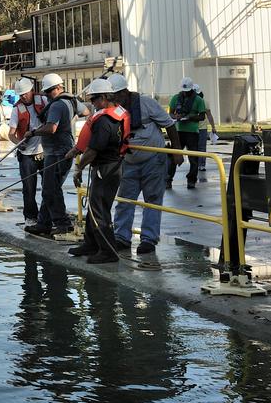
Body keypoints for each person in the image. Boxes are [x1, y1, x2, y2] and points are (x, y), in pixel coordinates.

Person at [109, 74, 179, 257]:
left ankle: (148, 239)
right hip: (129, 161)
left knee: (153, 200)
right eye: (112, 97)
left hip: (153, 160)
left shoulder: (147, 104)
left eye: (116, 96)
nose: (114, 100)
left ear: (125, 92)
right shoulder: (114, 109)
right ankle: (122, 237)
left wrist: (177, 152)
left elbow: (170, 125)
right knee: (125, 199)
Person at [67, 78, 127, 264]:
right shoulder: (116, 114)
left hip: (106, 169)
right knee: (95, 208)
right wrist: (76, 150)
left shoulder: (105, 121)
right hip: (111, 166)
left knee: (99, 210)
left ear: (103, 97)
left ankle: (108, 251)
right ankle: (92, 243)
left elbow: (93, 150)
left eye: (93, 99)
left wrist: (78, 168)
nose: (91, 103)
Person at [24, 73, 78, 239]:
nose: (47, 95)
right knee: (51, 189)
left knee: (50, 189)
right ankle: (44, 223)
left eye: (49, 92)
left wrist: (33, 132)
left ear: (58, 88)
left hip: (57, 152)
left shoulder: (56, 106)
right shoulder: (71, 101)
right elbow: (84, 112)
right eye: (46, 92)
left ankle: (63, 224)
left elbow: (51, 128)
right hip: (63, 149)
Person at [12, 77, 48, 225]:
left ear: (32, 90)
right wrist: (18, 144)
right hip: (27, 154)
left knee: (49, 187)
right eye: (20, 95)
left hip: (45, 151)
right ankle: (31, 217)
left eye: (25, 93)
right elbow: (11, 133)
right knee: (28, 188)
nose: (23, 96)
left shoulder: (44, 101)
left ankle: (48, 215)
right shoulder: (17, 109)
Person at [167, 78, 203, 188]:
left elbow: (202, 116)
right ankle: (168, 179)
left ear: (192, 89)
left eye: (187, 91)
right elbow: (170, 114)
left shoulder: (198, 100)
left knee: (193, 158)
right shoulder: (175, 98)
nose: (185, 93)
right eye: (184, 90)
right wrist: (176, 116)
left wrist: (190, 117)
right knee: (174, 156)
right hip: (178, 132)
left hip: (192, 133)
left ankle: (191, 180)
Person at [192, 84, 219, 184]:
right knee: (198, 147)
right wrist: (213, 127)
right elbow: (210, 116)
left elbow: (209, 116)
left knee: (200, 147)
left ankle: (200, 164)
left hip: (200, 128)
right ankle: (199, 165)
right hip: (195, 128)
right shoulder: (198, 102)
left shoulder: (204, 102)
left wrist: (213, 127)